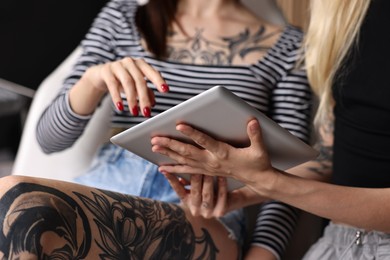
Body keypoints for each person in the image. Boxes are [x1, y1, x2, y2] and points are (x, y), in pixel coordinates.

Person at [0, 0, 313, 259]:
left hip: (204, 210)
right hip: (108, 184)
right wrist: (93, 81)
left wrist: (264, 252)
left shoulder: (288, 46)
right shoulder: (123, 18)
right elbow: (49, 140)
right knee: (12, 203)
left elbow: (289, 174)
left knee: (18, 199)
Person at [151, 0, 390, 259]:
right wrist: (243, 193)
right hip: (339, 242)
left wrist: (270, 184)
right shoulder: (343, 13)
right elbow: (338, 157)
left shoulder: (287, 42)